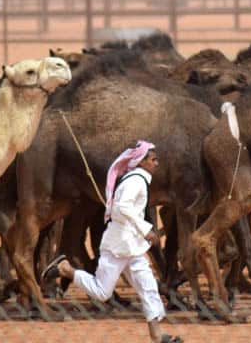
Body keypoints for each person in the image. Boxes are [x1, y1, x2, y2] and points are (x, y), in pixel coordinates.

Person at [42, 141, 182, 343]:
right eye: (153, 159)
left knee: (148, 286)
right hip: (117, 245)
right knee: (102, 291)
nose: (157, 163)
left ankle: (157, 336)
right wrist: (146, 229)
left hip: (131, 246)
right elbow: (121, 208)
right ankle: (66, 269)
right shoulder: (135, 182)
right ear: (141, 162)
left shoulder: (138, 179)